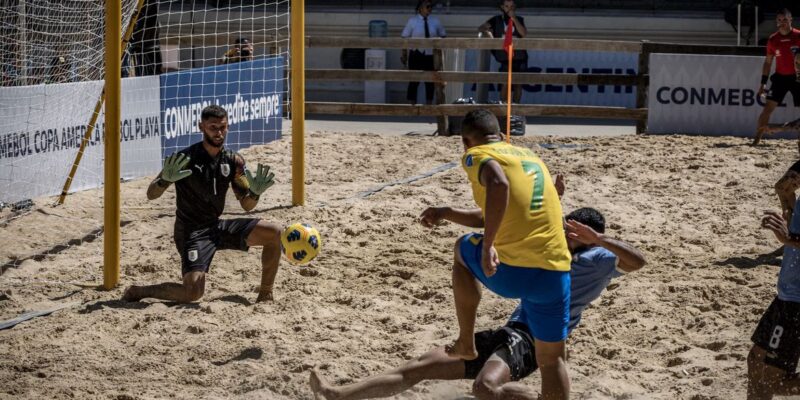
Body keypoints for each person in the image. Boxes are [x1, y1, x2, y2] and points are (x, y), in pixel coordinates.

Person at [310, 190, 646, 400]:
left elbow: (639, 261)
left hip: (536, 341)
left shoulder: (598, 259)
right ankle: (337, 395)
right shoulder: (549, 243)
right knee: (420, 366)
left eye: (573, 233)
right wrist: (446, 212)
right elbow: (490, 219)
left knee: (485, 388)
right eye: (565, 228)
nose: (564, 235)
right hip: (512, 332)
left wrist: (599, 240)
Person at [425, 109, 571, 398]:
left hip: (513, 270)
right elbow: (495, 211)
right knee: (553, 360)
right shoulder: (531, 157)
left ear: (466, 142)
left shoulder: (476, 154)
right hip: (555, 272)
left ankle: (466, 341)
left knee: (461, 248)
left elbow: (498, 184)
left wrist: (488, 245)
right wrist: (446, 212)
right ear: (503, 135)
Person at [122, 105, 281, 304]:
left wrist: (255, 194)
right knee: (193, 293)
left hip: (215, 225)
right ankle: (139, 291)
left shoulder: (233, 161)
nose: (219, 133)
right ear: (201, 127)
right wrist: (163, 181)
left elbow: (247, 206)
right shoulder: (185, 158)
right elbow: (151, 194)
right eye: (213, 127)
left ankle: (265, 293)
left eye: (222, 127)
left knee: (275, 232)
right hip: (191, 232)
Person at [749, 208, 800, 399]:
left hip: (796, 301)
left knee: (774, 380)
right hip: (788, 293)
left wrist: (790, 238)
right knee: (756, 363)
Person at [752, 8, 800, 146]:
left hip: (797, 78)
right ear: (776, 22)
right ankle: (756, 140)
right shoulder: (773, 39)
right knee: (767, 109)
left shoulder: (798, 36)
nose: (782, 22)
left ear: (790, 20)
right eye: (779, 20)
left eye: (785, 19)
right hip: (780, 78)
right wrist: (763, 83)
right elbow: (768, 62)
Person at [478, 0, 528, 103]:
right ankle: (503, 107)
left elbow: (523, 33)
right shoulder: (496, 19)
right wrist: (488, 32)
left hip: (519, 56)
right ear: (502, 7)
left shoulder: (519, 19)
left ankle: (516, 108)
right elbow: (481, 27)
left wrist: (514, 18)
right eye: (507, 6)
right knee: (505, 82)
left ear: (515, 7)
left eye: (511, 6)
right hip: (505, 57)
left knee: (518, 84)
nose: (509, 9)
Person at [400, 0, 446, 105]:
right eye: (427, 6)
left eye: (431, 6)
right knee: (414, 81)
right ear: (420, 8)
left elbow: (443, 35)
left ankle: (429, 105)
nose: (430, 9)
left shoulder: (435, 21)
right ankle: (412, 106)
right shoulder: (412, 21)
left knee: (430, 81)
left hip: (430, 55)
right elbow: (404, 37)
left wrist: (438, 46)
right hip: (416, 54)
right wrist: (404, 54)